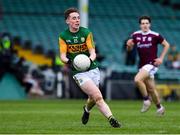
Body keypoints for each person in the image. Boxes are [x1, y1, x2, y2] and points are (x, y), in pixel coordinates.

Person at [59, 7, 121, 127]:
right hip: (78, 72)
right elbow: (62, 56)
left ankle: (86, 110)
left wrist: (88, 60)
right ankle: (111, 118)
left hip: (92, 68)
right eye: (74, 18)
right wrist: (70, 62)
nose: (77, 20)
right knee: (98, 96)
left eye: (78, 18)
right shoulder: (63, 36)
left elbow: (93, 52)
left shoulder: (86, 32)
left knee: (93, 98)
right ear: (67, 21)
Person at [126, 16, 169, 115]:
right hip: (142, 65)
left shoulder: (155, 35)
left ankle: (146, 100)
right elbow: (129, 50)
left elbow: (166, 45)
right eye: (143, 23)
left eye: (146, 23)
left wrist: (161, 58)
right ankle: (160, 108)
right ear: (140, 25)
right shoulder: (136, 35)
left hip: (152, 64)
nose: (145, 25)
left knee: (137, 79)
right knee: (151, 88)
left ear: (150, 24)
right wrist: (129, 46)